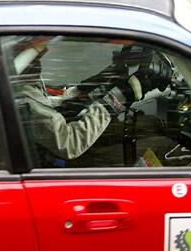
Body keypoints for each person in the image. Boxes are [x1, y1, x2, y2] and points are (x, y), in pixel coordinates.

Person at [15, 40, 172, 162]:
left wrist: (104, 79)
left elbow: (59, 102)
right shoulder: (22, 97)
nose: (39, 60)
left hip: (54, 147)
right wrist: (117, 99)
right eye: (35, 56)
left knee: (152, 123)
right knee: (163, 143)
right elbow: (69, 144)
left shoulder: (24, 84)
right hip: (63, 162)